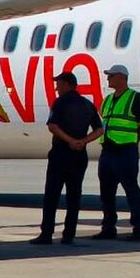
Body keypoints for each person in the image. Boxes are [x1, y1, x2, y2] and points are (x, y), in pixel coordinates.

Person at [30, 72, 103, 245]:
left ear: (68, 84)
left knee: (52, 196)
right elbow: (100, 130)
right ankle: (69, 234)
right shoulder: (87, 104)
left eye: (59, 84)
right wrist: (82, 141)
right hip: (79, 156)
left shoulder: (60, 103)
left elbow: (53, 126)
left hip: (61, 154)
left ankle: (46, 234)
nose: (56, 88)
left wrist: (70, 141)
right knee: (74, 196)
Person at [92, 64, 140, 241]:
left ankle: (139, 228)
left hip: (125, 152)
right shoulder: (108, 99)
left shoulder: (136, 98)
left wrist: (132, 140)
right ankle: (108, 227)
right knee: (106, 194)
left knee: (132, 191)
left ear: (121, 78)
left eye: (111, 76)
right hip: (108, 151)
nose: (108, 79)